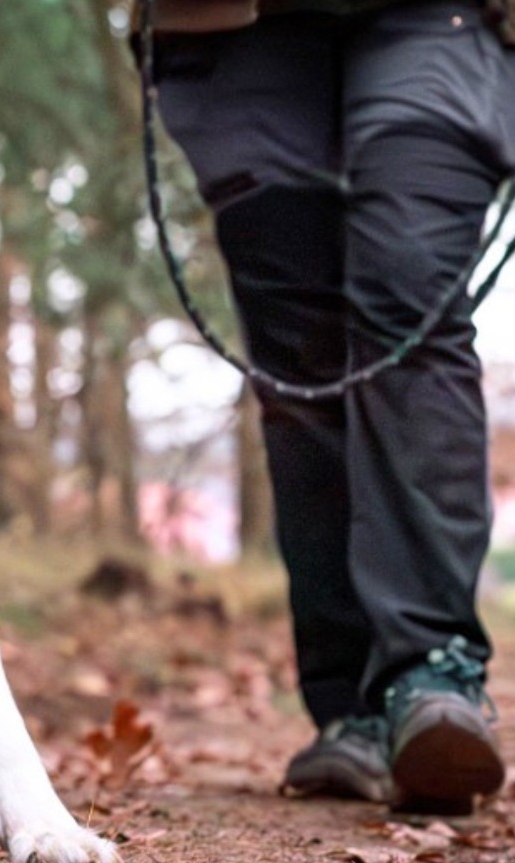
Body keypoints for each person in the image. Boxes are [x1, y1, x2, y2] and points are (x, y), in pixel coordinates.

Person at [145, 0, 514, 813]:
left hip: (443, 18)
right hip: (236, 26)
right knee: (298, 356)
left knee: (409, 306)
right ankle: (348, 705)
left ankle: (432, 671)